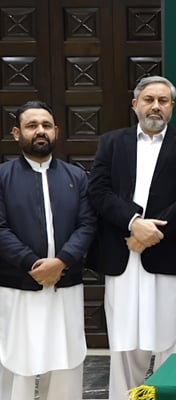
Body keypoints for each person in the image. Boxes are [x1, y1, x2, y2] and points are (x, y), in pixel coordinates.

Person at [88, 76, 176, 400]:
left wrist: (152, 233)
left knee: (170, 339)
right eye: (149, 99)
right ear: (135, 103)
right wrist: (132, 224)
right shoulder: (111, 143)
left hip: (167, 255)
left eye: (163, 100)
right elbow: (98, 191)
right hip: (122, 255)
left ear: (172, 107)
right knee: (126, 343)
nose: (156, 106)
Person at [0, 101, 96, 400]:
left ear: (56, 131)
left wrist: (62, 262)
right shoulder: (2, 176)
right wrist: (34, 264)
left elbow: (88, 224)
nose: (39, 131)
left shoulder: (76, 176)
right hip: (18, 286)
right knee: (18, 363)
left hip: (65, 284)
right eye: (31, 126)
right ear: (17, 133)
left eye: (45, 125)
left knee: (66, 360)